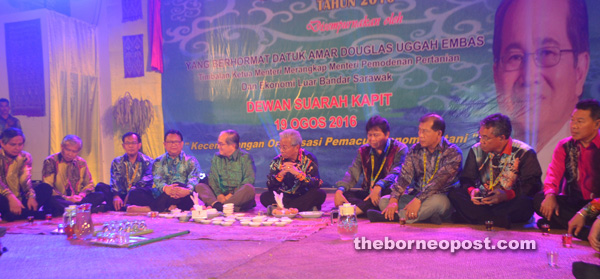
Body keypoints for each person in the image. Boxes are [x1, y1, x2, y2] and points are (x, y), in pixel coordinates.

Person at [493, 0, 590, 174]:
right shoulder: (487, 153)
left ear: (580, 70)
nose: (528, 78)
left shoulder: (589, 153)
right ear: (496, 74)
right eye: (514, 57)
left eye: (547, 53)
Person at [449, 114, 542, 229]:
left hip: (508, 202)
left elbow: (532, 185)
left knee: (526, 204)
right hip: (483, 201)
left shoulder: (524, 152)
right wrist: (472, 191)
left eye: (486, 138)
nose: (481, 141)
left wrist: (506, 195)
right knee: (455, 194)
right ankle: (497, 220)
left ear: (502, 138)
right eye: (480, 136)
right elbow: (466, 178)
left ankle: (478, 218)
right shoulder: (476, 150)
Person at [370, 114, 462, 224]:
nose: (420, 135)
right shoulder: (415, 149)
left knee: (437, 202)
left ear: (439, 133)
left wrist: (418, 200)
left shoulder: (452, 152)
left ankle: (396, 217)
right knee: (384, 200)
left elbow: (438, 182)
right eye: (419, 131)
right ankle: (426, 216)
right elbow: (404, 176)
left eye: (425, 131)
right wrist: (394, 200)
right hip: (415, 196)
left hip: (440, 198)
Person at [537, 99, 600, 239]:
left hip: (597, 206)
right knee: (538, 200)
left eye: (580, 121)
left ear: (597, 124)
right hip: (574, 202)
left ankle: (579, 227)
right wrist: (550, 195)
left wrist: (585, 213)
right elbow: (553, 174)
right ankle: (587, 232)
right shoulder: (564, 145)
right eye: (572, 120)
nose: (574, 126)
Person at [334, 115, 407, 216]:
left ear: (387, 134)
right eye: (369, 135)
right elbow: (352, 173)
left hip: (388, 191)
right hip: (369, 193)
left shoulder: (399, 148)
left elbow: (396, 173)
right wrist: (340, 190)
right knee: (346, 195)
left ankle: (356, 211)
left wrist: (379, 186)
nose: (372, 139)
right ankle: (367, 209)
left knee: (387, 195)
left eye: (376, 135)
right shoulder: (363, 150)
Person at [261, 129, 325, 212]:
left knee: (320, 194)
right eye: (280, 146)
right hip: (284, 197)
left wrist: (298, 173)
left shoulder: (309, 159)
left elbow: (316, 183)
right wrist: (281, 174)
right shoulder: (277, 161)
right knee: (264, 197)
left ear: (296, 147)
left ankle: (281, 209)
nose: (281, 150)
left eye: (285, 147)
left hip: (302, 196)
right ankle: (303, 209)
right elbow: (270, 186)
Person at [0, 128, 58, 221]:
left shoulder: (25, 157)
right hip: (4, 198)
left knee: (45, 188)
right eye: (13, 144)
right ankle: (31, 214)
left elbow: (25, 180)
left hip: (21, 199)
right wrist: (11, 198)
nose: (17, 148)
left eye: (20, 144)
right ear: (2, 143)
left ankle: (16, 215)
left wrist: (31, 196)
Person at [41, 134, 105, 213]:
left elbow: (89, 184)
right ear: (62, 147)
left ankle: (74, 209)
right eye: (68, 150)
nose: (70, 154)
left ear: (78, 151)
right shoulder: (50, 161)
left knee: (100, 195)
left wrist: (81, 196)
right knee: (52, 200)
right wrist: (67, 198)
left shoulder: (81, 162)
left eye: (74, 151)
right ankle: (80, 209)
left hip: (78, 199)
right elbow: (48, 187)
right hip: (61, 199)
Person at [195, 130, 256, 212]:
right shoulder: (217, 157)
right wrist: (219, 194)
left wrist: (231, 195)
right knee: (200, 186)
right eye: (218, 143)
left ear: (232, 146)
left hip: (236, 197)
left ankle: (218, 206)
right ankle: (225, 207)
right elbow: (213, 178)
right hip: (219, 197)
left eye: (221, 144)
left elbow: (249, 180)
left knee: (249, 189)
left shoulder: (245, 157)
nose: (218, 146)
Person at [96, 132, 154, 212]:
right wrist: (115, 195)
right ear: (123, 146)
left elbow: (147, 180)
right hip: (121, 195)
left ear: (139, 145)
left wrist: (131, 191)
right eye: (127, 143)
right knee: (100, 187)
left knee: (141, 194)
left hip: (137, 194)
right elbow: (115, 180)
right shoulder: (117, 161)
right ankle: (123, 207)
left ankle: (118, 207)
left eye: (133, 143)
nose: (130, 146)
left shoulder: (148, 161)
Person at [152, 129, 202, 212]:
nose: (173, 145)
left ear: (182, 144)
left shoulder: (191, 160)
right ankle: (174, 206)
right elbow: (158, 180)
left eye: (176, 142)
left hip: (184, 195)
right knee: (138, 193)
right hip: (165, 194)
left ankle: (166, 207)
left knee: (182, 187)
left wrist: (187, 190)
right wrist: (166, 188)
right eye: (170, 142)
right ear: (164, 144)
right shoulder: (158, 161)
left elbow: (194, 178)